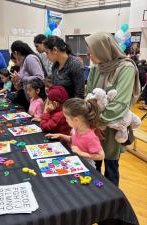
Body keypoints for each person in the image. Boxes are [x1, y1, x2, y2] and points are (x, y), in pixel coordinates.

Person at [85, 32, 140, 186]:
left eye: (92, 50)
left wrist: (95, 119)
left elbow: (120, 105)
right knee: (92, 167)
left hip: (113, 129)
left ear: (103, 49)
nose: (89, 54)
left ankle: (112, 206)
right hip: (94, 127)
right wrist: (93, 122)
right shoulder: (97, 67)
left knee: (111, 169)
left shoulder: (126, 68)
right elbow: (88, 94)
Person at [46, 98, 105, 168]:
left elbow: (101, 156)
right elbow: (75, 140)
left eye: (66, 118)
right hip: (76, 162)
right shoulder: (76, 129)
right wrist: (61, 135)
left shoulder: (90, 137)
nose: (66, 120)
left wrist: (81, 153)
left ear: (76, 120)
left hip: (86, 166)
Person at [10, 40, 46, 109]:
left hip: (38, 99)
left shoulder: (30, 58)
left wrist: (21, 78)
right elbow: (22, 85)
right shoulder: (23, 61)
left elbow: (40, 77)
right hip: (30, 98)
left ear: (16, 53)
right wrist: (16, 82)